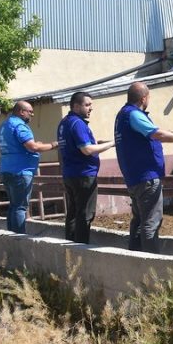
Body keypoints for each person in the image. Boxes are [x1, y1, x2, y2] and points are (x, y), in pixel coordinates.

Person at [114, 81, 173, 253]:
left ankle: (135, 259)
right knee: (151, 222)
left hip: (134, 177)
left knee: (139, 221)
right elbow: (157, 134)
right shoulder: (133, 114)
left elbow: (151, 132)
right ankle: (151, 264)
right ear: (144, 98)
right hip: (146, 177)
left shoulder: (122, 115)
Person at [57, 91, 116, 243]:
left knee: (73, 213)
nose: (91, 108)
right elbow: (87, 150)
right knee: (84, 214)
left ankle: (69, 246)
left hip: (69, 174)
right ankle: (81, 250)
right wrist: (111, 143)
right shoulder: (78, 124)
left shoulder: (64, 123)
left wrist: (98, 144)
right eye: (87, 105)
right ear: (76, 106)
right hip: (83, 175)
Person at [0, 101, 58, 234]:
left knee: (13, 205)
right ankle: (19, 238)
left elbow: (18, 145)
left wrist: (35, 145)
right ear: (21, 111)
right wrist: (53, 145)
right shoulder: (19, 126)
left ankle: (11, 236)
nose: (32, 114)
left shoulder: (5, 124)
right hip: (20, 171)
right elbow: (33, 147)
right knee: (20, 207)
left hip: (6, 169)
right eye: (30, 111)